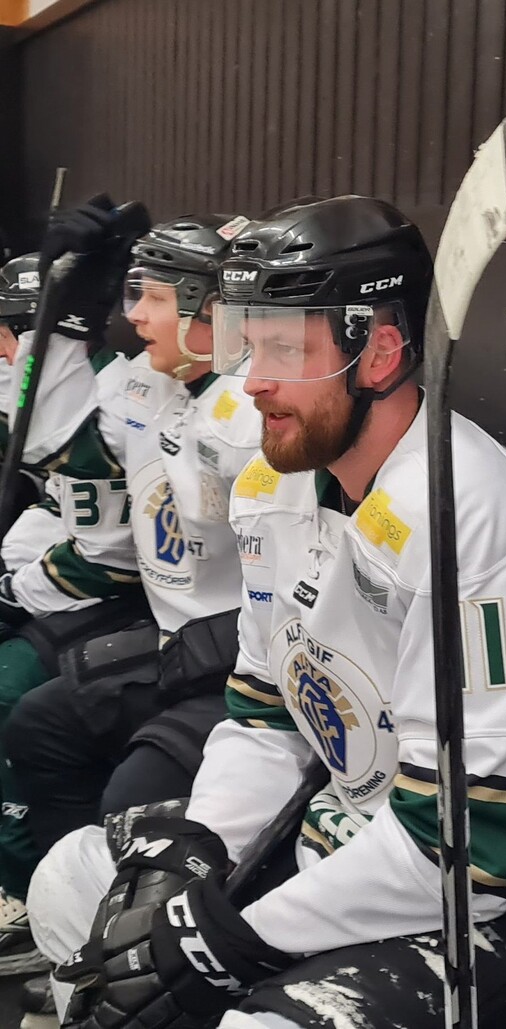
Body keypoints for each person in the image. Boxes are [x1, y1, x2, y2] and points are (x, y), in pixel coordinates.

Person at [27, 194, 506, 1029]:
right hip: (370, 817)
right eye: (249, 343)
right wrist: (197, 856)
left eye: (286, 350)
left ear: (379, 353)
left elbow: (476, 851)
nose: (253, 380)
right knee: (79, 881)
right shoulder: (275, 485)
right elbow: (266, 718)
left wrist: (234, 938)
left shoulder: (469, 515)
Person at [1, 205, 261, 894]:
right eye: (130, 295)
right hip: (175, 644)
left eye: (153, 298)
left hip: (241, 659)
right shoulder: (152, 382)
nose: (135, 316)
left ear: (214, 310)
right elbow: (51, 438)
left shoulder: (251, 413)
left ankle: (133, 923)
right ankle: (60, 900)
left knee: (132, 797)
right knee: (39, 727)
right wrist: (68, 312)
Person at [0, 248, 150, 976]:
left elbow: (106, 559)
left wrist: (13, 589)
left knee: (11, 691)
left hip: (130, 603)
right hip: (91, 590)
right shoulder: (56, 391)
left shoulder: (112, 400)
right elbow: (52, 511)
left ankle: (25, 891)